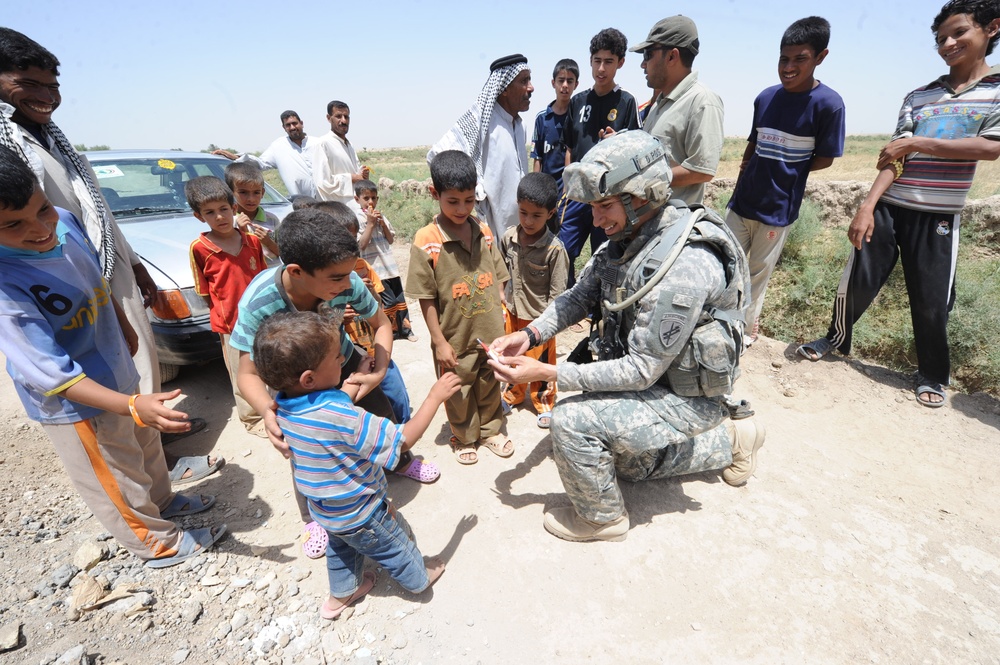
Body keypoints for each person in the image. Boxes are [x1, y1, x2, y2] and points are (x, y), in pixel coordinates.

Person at [489, 131, 764, 542]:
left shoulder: (684, 264)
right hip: (659, 383)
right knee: (626, 462)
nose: (596, 221)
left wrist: (546, 373)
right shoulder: (629, 239)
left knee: (571, 421)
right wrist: (529, 335)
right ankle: (733, 439)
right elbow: (580, 297)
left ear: (642, 197)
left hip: (685, 397)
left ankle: (603, 518)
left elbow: (639, 370)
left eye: (604, 207)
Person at [0, 146, 225, 568]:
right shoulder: (6, 288)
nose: (39, 228)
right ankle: (153, 540)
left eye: (42, 209)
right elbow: (53, 374)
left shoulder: (65, 224)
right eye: (13, 224)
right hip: (76, 402)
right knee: (113, 471)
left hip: (117, 371)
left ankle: (162, 500)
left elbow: (97, 284)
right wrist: (131, 404)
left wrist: (122, 327)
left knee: (142, 443)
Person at [0, 27, 208, 452]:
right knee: (94, 383)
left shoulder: (52, 137)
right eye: (28, 84)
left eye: (52, 86)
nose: (47, 96)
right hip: (54, 280)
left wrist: (133, 264)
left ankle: (157, 456)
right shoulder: (9, 150)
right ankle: (143, 468)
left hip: (103, 270)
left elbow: (97, 211)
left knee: (136, 360)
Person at [797, 0, 1000, 409]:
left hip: (938, 215)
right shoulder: (919, 96)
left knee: (931, 300)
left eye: (959, 32)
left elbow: (990, 148)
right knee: (857, 282)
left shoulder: (995, 94)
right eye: (941, 38)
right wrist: (867, 206)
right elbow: (895, 158)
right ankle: (834, 341)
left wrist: (919, 141)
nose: (948, 43)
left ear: (992, 28)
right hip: (891, 206)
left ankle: (931, 375)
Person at [230, 208, 438, 554]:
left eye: (347, 275)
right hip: (297, 384)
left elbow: (382, 324)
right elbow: (247, 373)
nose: (347, 284)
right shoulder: (259, 301)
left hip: (343, 360)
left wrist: (378, 370)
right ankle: (313, 518)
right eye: (337, 278)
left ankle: (398, 460)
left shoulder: (347, 279)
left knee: (379, 415)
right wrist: (268, 411)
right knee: (306, 450)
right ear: (296, 272)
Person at [252, 311, 459, 618]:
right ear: (309, 378)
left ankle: (341, 595)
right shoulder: (343, 418)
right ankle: (419, 578)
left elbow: (329, 405)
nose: (342, 360)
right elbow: (400, 441)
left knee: (341, 551)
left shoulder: (283, 403)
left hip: (325, 509)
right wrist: (434, 397)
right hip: (361, 512)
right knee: (395, 545)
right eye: (337, 358)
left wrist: (351, 381)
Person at [725, 17, 846, 345]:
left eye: (799, 59)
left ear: (820, 57)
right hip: (741, 201)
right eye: (784, 58)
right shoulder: (765, 97)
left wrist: (789, 169)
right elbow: (754, 141)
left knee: (756, 274)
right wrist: (745, 170)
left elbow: (825, 157)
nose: (788, 67)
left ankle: (743, 331)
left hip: (778, 209)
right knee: (725, 263)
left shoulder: (828, 105)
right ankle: (719, 323)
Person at [406, 151, 512, 465]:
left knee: (489, 380)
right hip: (453, 337)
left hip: (489, 331)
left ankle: (491, 429)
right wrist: (439, 342)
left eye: (469, 200)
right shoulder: (427, 240)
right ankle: (464, 435)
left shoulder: (484, 230)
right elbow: (425, 297)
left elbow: (499, 277)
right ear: (434, 194)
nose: (462, 209)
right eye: (453, 201)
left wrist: (501, 312)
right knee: (458, 387)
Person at [309, 199, 416, 429]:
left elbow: (380, 319)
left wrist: (378, 371)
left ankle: (402, 432)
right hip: (335, 357)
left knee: (393, 392)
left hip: (363, 349)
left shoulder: (357, 273)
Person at [186, 176, 267, 435]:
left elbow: (264, 280)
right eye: (210, 213)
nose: (219, 217)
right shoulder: (200, 248)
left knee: (269, 364)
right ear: (199, 217)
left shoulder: (252, 241)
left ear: (234, 209)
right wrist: (225, 316)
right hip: (231, 324)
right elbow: (204, 292)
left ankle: (275, 409)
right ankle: (253, 419)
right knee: (241, 371)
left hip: (262, 318)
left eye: (223, 209)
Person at [560, 29, 641, 283]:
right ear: (590, 61)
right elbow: (570, 148)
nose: (601, 68)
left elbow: (636, 153)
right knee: (563, 249)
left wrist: (616, 144)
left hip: (608, 197)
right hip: (578, 194)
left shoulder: (627, 102)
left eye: (609, 61)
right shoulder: (578, 101)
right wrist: (568, 187)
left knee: (606, 254)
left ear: (620, 63)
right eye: (597, 60)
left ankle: (600, 312)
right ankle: (566, 303)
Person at [428, 54, 534, 239]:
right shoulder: (481, 121)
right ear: (504, 88)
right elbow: (437, 154)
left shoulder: (520, 125)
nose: (531, 88)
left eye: (529, 80)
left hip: (519, 226)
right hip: (489, 226)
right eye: (524, 81)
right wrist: (471, 192)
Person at [500, 172, 569, 428]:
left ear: (551, 213)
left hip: (540, 320)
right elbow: (501, 272)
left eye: (536, 215)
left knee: (540, 363)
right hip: (513, 311)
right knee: (510, 357)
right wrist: (501, 298)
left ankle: (543, 401)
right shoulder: (508, 238)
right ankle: (513, 394)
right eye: (523, 212)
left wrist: (547, 323)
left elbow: (558, 294)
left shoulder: (554, 250)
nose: (528, 221)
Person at [632, 15, 725, 206]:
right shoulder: (660, 102)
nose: (643, 64)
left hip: (673, 227)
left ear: (672, 56)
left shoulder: (702, 101)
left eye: (648, 54)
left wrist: (643, 181)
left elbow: (702, 171)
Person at [353, 179, 417, 342]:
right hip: (375, 269)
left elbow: (390, 240)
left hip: (389, 267)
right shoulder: (359, 219)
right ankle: (390, 332)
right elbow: (361, 245)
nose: (370, 202)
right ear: (357, 199)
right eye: (366, 198)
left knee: (399, 300)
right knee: (387, 302)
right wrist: (370, 224)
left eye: (374, 198)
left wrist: (383, 224)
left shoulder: (382, 216)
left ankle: (406, 330)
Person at [212, 110, 317, 198]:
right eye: (288, 125)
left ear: (301, 123)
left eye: (295, 123)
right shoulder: (278, 146)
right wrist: (236, 157)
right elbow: (260, 164)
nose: (292, 127)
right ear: (284, 127)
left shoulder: (318, 143)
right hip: (300, 204)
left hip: (327, 200)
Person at [310, 100, 369, 220]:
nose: (343, 120)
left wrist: (362, 175)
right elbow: (323, 183)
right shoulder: (322, 144)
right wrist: (352, 178)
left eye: (346, 117)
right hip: (336, 214)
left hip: (354, 210)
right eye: (338, 116)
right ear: (328, 118)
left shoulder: (349, 144)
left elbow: (356, 175)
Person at [531, 59, 579, 190]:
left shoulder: (579, 118)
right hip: (547, 190)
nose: (565, 85)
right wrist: (536, 189)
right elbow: (537, 157)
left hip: (571, 190)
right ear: (553, 83)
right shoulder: (542, 119)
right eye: (561, 80)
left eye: (570, 81)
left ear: (576, 84)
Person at [224, 161, 279, 260]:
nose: (251, 199)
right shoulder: (228, 221)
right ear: (231, 192)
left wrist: (268, 242)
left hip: (273, 271)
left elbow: (283, 253)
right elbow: (229, 257)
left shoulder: (272, 219)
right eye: (243, 192)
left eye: (256, 192)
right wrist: (242, 233)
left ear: (262, 193)